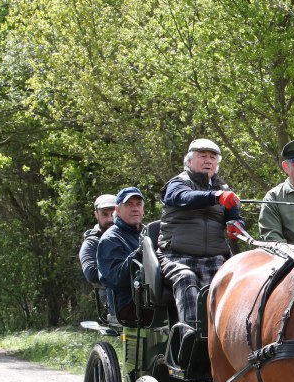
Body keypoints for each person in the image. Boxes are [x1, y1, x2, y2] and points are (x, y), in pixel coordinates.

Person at [157, 138, 245, 342]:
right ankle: (192, 338)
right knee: (186, 278)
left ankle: (232, 337)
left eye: (212, 157)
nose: (208, 161)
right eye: (202, 156)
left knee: (234, 282)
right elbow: (184, 198)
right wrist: (216, 196)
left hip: (214, 257)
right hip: (177, 255)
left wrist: (236, 225)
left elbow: (234, 216)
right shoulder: (177, 184)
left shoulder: (224, 187)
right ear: (189, 161)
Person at [96, 187, 149, 324]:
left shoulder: (148, 232)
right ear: (117, 210)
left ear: (143, 209)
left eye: (138, 204)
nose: (135, 208)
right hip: (127, 304)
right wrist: (140, 252)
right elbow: (117, 278)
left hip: (150, 297)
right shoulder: (110, 239)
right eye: (129, 204)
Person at [78, 193, 117, 285]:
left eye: (113, 214)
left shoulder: (133, 233)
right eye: (104, 214)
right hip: (108, 296)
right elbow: (92, 274)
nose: (110, 219)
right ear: (96, 215)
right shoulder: (92, 243)